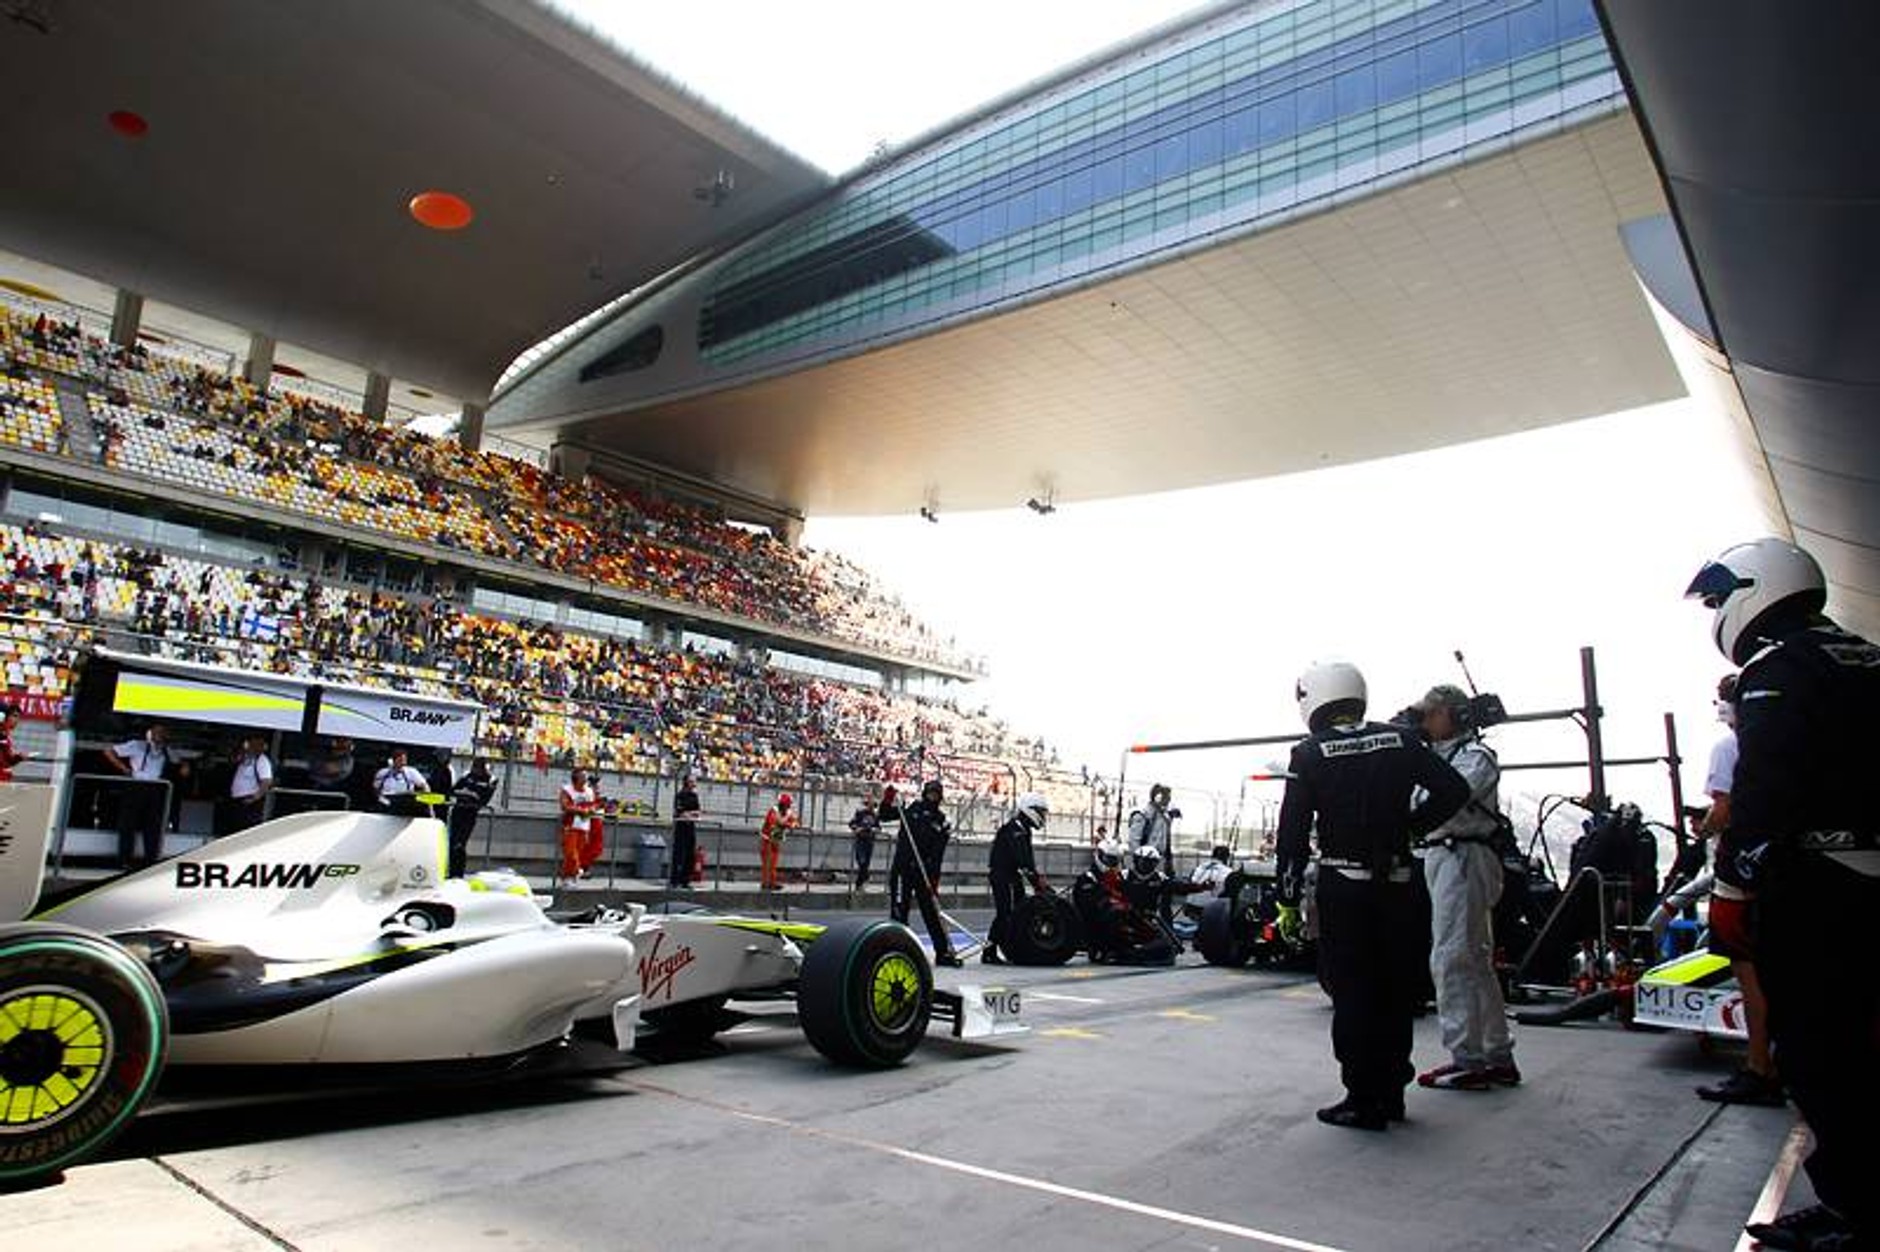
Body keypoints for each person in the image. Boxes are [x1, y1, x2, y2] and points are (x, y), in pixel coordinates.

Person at [1687, 539, 1879, 1252]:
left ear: (1755, 590)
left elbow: (1765, 789)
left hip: (1820, 885)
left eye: (1719, 599)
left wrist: (1736, 882)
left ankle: (1856, 1209)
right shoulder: (1864, 656)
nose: (1717, 612)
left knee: (1820, 1051)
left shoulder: (1777, 670)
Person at [1275, 659, 1469, 1131]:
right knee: (1395, 990)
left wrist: (1287, 898)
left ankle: (1362, 1097)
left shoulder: (1309, 753)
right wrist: (1411, 828)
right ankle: (1392, 1093)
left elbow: (1292, 833)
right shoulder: (1402, 740)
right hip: (1400, 883)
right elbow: (1454, 788)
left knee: (1353, 992)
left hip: (1345, 885)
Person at [1412, 684, 1519, 1092]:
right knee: (1475, 959)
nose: (1426, 720)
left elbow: (1446, 797)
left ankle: (1467, 1059)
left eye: (1432, 712)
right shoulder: (1435, 757)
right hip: (1443, 856)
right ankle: (1496, 1054)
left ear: (1454, 715)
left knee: (1452, 956)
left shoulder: (1476, 757)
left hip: (1463, 855)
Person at [1685, 674, 1782, 1108]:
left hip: (1739, 868)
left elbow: (1724, 809)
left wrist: (1704, 826)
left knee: (1748, 972)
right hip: (1777, 864)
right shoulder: (1783, 742)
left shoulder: (1728, 747)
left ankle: (1759, 1066)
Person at [890, 779, 960, 966]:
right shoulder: (912, 809)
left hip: (924, 872)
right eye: (930, 793)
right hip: (903, 868)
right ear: (924, 793)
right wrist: (888, 801)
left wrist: (934, 878)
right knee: (899, 911)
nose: (932, 797)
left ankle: (942, 952)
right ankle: (897, 951)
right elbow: (885, 815)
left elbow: (938, 854)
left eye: (936, 794)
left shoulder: (941, 820)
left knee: (932, 912)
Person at [1071, 838, 1172, 964]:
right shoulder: (1088, 878)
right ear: (1099, 856)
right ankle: (1117, 952)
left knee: (1161, 943)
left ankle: (1142, 945)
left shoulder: (1118, 878)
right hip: (1095, 927)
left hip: (1121, 922)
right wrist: (1114, 903)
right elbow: (1089, 907)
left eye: (1114, 860)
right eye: (1109, 859)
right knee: (1117, 912)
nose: (1111, 864)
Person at [984, 791, 1049, 965]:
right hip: (1002, 876)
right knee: (1005, 913)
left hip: (1011, 875)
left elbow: (1026, 861)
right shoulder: (1015, 830)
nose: (1043, 816)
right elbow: (1024, 861)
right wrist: (1038, 883)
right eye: (1040, 812)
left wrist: (1036, 879)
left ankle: (1013, 946)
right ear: (1030, 809)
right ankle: (989, 950)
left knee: (1018, 909)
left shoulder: (1021, 828)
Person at [104, 724, 169, 866]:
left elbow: (179, 760)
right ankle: (124, 860)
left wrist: (184, 766)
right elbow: (109, 751)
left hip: (156, 788)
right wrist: (124, 769)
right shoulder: (137, 745)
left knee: (153, 826)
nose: (160, 734)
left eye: (162, 732)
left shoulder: (166, 750)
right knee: (128, 824)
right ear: (149, 733)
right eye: (156, 731)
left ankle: (151, 860)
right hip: (136, 785)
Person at [447, 757, 495, 879]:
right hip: (458, 811)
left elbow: (484, 799)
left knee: (460, 844)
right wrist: (464, 793)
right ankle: (452, 873)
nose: (475, 770)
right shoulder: (467, 775)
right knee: (452, 843)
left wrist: (472, 796)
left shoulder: (490, 779)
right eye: (474, 767)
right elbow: (453, 790)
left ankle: (459, 874)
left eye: (478, 768)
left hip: (470, 814)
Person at [220, 734, 274, 836]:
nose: (250, 746)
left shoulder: (262, 760)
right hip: (237, 801)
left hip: (249, 802)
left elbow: (266, 782)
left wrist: (254, 798)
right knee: (233, 829)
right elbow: (233, 759)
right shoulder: (246, 758)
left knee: (244, 831)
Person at [558, 767, 602, 882]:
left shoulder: (589, 791)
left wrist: (592, 809)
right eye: (583, 776)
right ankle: (577, 871)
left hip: (584, 827)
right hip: (570, 825)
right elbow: (565, 806)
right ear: (576, 778)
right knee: (570, 853)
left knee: (578, 853)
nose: (585, 778)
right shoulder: (567, 790)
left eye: (586, 776)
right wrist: (581, 811)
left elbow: (594, 805)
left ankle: (568, 878)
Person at [373, 748, 429, 816]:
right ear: (393, 760)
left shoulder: (411, 772)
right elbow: (376, 789)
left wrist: (427, 802)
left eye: (404, 761)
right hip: (387, 802)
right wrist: (382, 800)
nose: (402, 763)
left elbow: (425, 786)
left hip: (405, 803)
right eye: (400, 760)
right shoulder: (383, 772)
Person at [669, 773, 701, 890]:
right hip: (681, 827)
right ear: (686, 782)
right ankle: (675, 880)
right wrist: (688, 813)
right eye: (692, 781)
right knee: (679, 853)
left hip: (690, 826)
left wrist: (690, 813)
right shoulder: (680, 795)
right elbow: (680, 812)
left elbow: (698, 812)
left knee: (690, 854)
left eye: (694, 781)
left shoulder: (694, 796)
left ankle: (685, 880)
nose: (694, 783)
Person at [1128, 783, 1177, 857]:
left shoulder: (1165, 818)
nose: (1167, 802)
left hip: (1158, 859)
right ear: (1157, 798)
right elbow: (1134, 842)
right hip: (1145, 859)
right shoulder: (1143, 816)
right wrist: (1140, 858)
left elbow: (1165, 843)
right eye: (1165, 798)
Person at [759, 792, 795, 891]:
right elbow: (774, 822)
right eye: (786, 805)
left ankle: (772, 883)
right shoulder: (773, 811)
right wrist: (788, 824)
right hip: (767, 840)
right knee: (767, 862)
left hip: (776, 840)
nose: (787, 807)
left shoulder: (788, 812)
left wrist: (793, 823)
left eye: (788, 805)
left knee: (773, 863)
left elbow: (794, 821)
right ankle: (765, 884)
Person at [848, 785, 881, 891]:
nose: (871, 805)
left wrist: (875, 830)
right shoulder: (860, 813)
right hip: (860, 840)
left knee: (866, 863)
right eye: (869, 803)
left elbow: (878, 827)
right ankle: (863, 879)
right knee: (861, 861)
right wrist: (857, 829)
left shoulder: (875, 815)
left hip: (870, 841)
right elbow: (852, 824)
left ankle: (860, 883)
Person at [0, 703, 27, 781]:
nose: (17, 720)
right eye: (14, 716)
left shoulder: (5, 735)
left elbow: (7, 761)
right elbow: (5, 762)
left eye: (18, 717)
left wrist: (17, 758)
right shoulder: (2, 735)